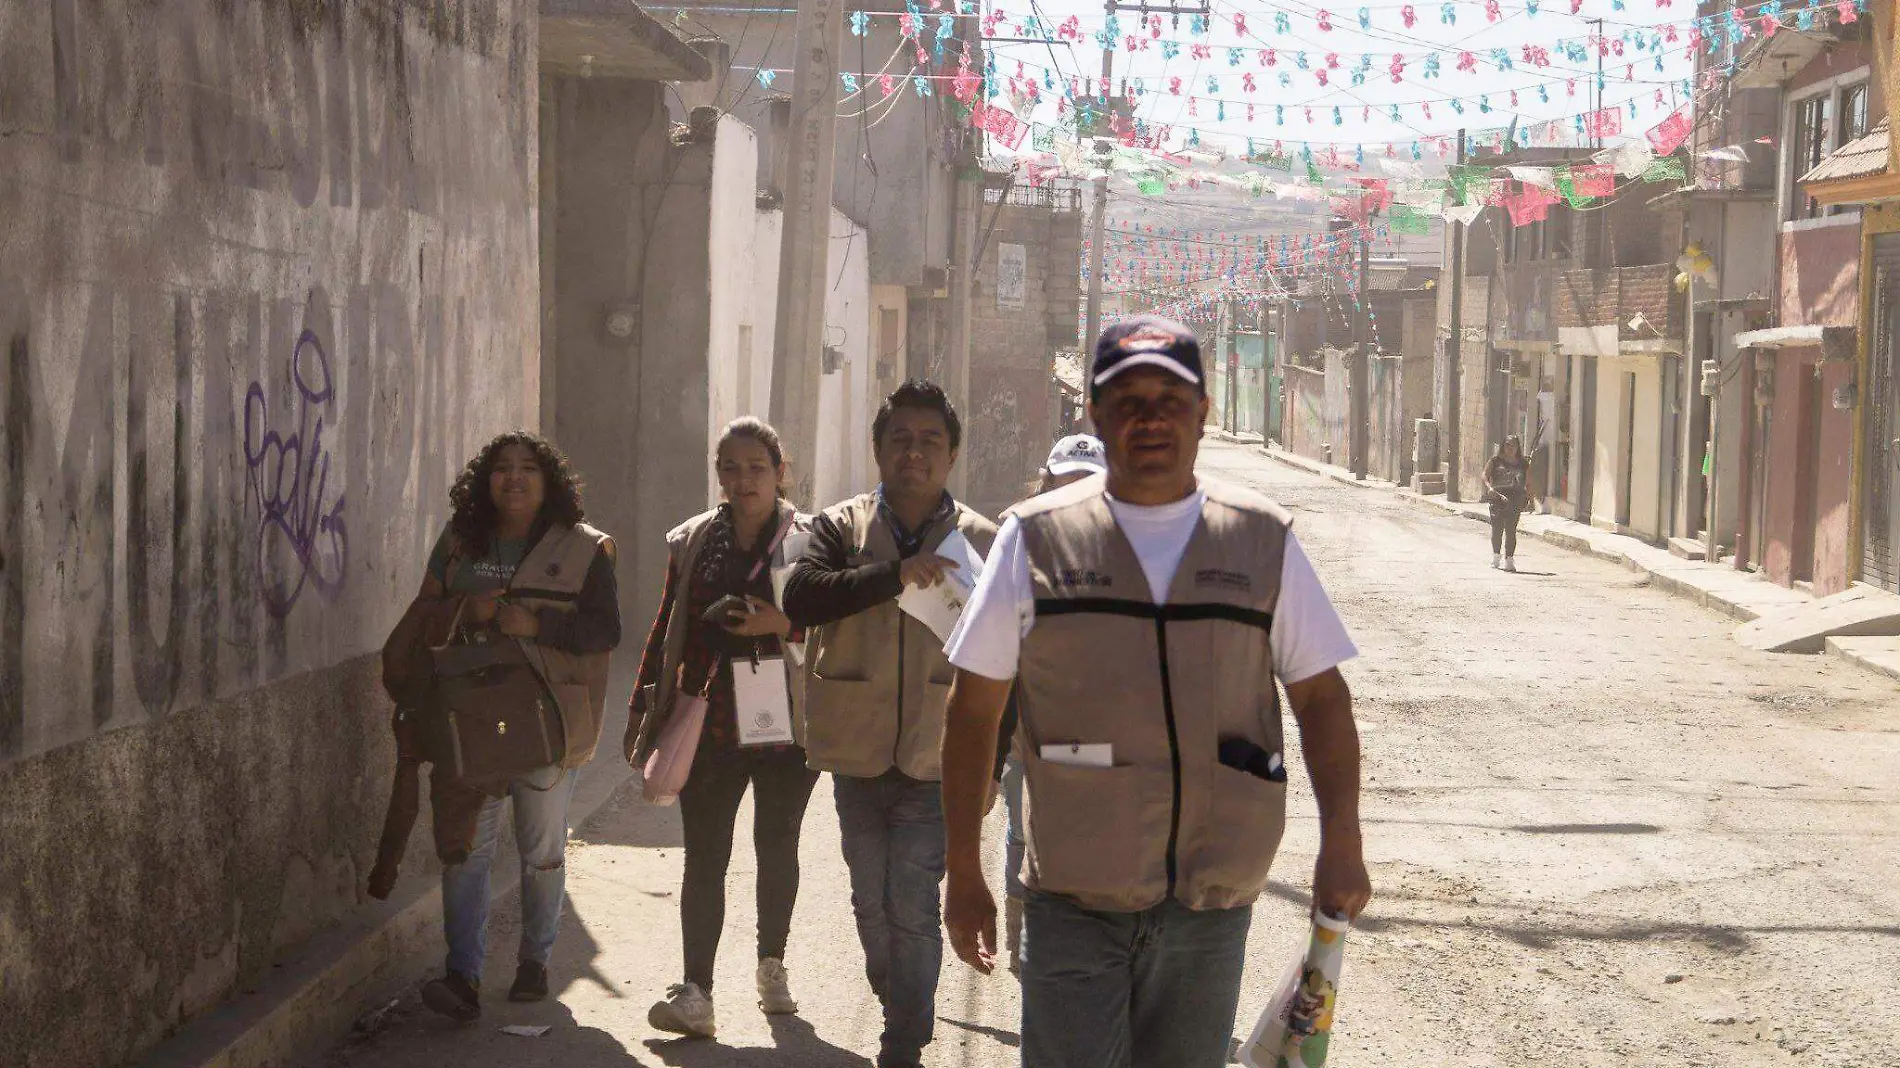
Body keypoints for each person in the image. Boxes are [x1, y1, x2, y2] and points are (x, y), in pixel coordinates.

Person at [938, 316, 1371, 1068]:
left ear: (1203, 413)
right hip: (1074, 898)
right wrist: (966, 870)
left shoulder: (1260, 540)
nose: (1149, 418)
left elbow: (1323, 701)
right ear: (1097, 417)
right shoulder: (1035, 540)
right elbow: (973, 709)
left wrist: (1344, 841)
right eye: (1127, 400)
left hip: (1212, 903)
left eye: (1170, 399)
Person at [782, 381, 998, 1068]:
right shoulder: (839, 529)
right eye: (900, 439)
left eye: (930, 441)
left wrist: (995, 763)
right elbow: (802, 597)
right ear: (877, 450)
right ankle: (898, 995)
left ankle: (904, 1038)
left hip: (939, 755)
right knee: (867, 897)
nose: (914, 453)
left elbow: (1011, 660)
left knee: (911, 896)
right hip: (855, 746)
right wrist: (893, 574)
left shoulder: (983, 540)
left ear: (953, 453)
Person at [627, 418, 821, 1039]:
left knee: (777, 845)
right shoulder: (693, 542)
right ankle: (697, 993)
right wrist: (643, 710)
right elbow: (666, 627)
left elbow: (832, 630)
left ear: (780, 472)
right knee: (705, 857)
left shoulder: (810, 542)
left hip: (786, 723)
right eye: (730, 469)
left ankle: (772, 965)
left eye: (756, 468)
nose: (743, 481)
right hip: (709, 722)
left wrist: (778, 624)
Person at [418, 432, 622, 1021]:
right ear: (485, 481)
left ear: (548, 479)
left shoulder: (584, 549)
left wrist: (537, 627)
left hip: (548, 718)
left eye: (527, 468)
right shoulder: (459, 544)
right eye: (502, 468)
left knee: (541, 848)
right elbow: (423, 613)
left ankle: (535, 959)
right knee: (465, 850)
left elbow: (604, 631)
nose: (514, 478)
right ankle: (462, 977)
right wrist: (467, 609)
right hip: (469, 719)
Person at [998, 434, 1107, 975]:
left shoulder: (1128, 551)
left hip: (1094, 731)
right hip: (1027, 731)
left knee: (1085, 829)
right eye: (1066, 482)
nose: (1074, 494)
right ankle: (1023, 937)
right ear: (1048, 481)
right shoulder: (1017, 542)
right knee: (1023, 832)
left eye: (1087, 483)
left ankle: (1076, 937)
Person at [1484, 435, 1530, 572]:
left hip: (1515, 499)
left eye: (1514, 445)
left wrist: (1529, 497)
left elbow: (1528, 481)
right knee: (1497, 529)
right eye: (1508, 445)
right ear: (1503, 446)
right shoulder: (1495, 461)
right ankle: (1496, 556)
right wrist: (1490, 488)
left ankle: (1509, 559)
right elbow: (1485, 475)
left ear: (1518, 447)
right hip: (1497, 498)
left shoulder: (1523, 463)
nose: (1511, 448)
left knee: (1511, 530)